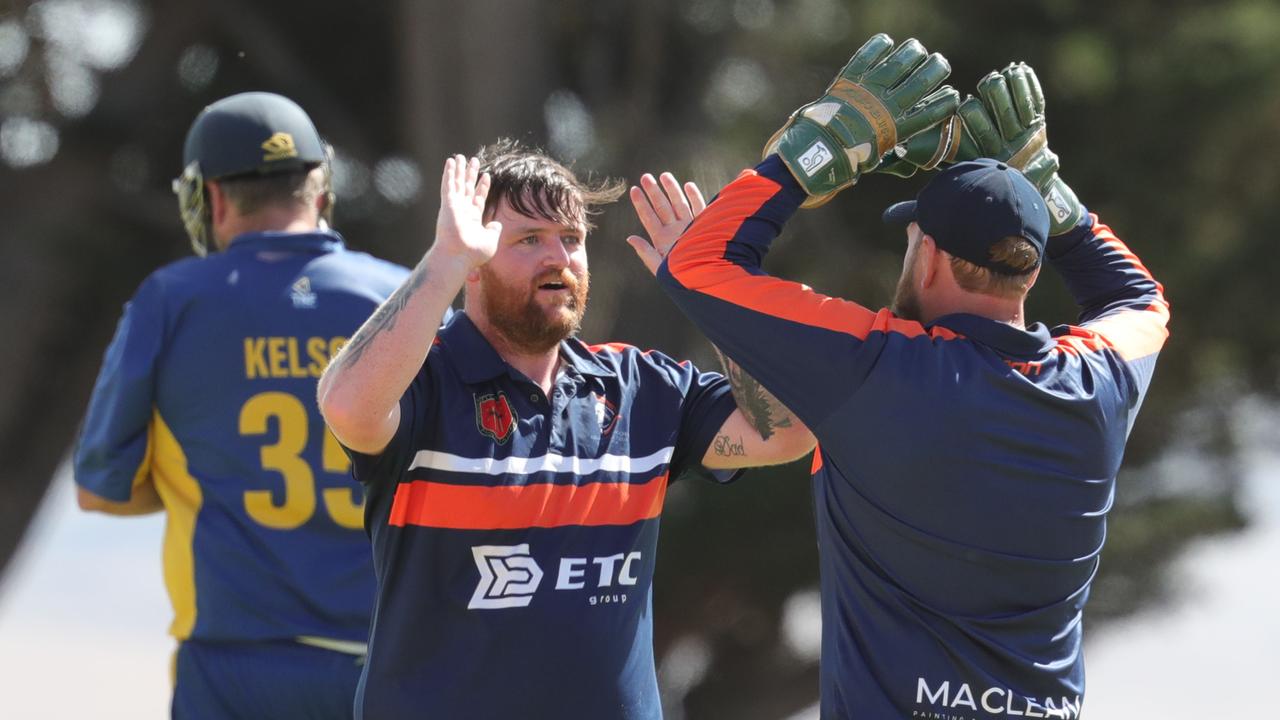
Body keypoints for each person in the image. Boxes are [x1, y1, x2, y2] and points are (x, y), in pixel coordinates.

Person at [658, 36, 1170, 720]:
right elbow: (1140, 302)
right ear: (1032, 270)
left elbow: (698, 263)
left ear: (925, 254)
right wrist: (1045, 190)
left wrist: (818, 149)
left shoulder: (879, 365)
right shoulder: (1097, 386)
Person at [316, 139, 815, 719]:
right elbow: (347, 408)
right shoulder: (426, 379)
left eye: (572, 239)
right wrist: (443, 261)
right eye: (529, 239)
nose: (560, 258)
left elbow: (787, 432)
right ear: (474, 260)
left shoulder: (640, 387)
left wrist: (716, 287)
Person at [73, 92, 409, 719]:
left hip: (234, 669)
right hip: (387, 658)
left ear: (214, 199)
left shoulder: (172, 300)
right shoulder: (404, 297)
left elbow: (101, 489)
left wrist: (209, 483)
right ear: (319, 187)